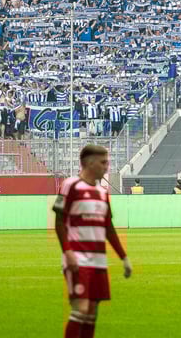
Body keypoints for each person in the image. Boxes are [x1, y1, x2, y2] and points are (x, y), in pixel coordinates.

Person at [52, 144, 132, 338]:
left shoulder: (102, 192)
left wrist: (123, 257)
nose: (107, 167)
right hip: (77, 258)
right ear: (89, 162)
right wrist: (67, 252)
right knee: (81, 308)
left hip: (98, 261)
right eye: (103, 162)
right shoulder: (70, 185)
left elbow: (108, 227)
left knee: (92, 313)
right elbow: (59, 221)